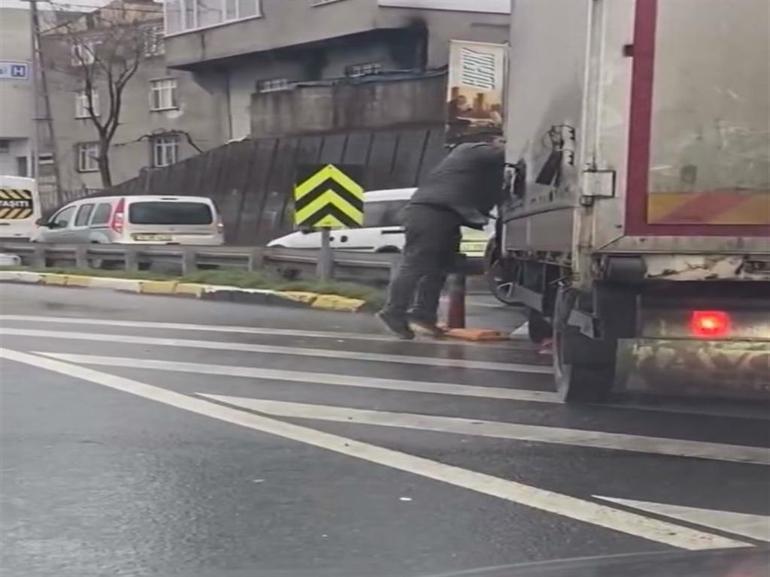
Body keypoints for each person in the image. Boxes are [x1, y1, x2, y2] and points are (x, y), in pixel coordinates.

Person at [377, 135, 506, 339]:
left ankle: (423, 314)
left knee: (440, 266)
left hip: (447, 214)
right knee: (416, 264)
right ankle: (393, 311)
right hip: (431, 212)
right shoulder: (472, 149)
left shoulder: (477, 161)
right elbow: (507, 153)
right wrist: (510, 141)